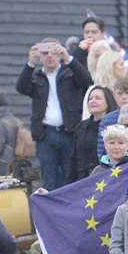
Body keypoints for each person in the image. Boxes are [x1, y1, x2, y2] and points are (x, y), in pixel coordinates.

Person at [16, 38, 92, 189]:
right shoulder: (37, 76)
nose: (49, 56)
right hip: (46, 134)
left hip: (69, 131)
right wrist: (30, 63)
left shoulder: (69, 73)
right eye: (45, 53)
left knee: (70, 175)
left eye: (54, 52)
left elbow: (86, 80)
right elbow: (21, 88)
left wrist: (68, 58)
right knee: (48, 177)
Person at [71, 84, 112, 181]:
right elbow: (74, 158)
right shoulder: (81, 127)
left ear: (108, 102)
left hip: (105, 178)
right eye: (90, 98)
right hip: (82, 179)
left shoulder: (114, 125)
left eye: (98, 98)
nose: (93, 101)